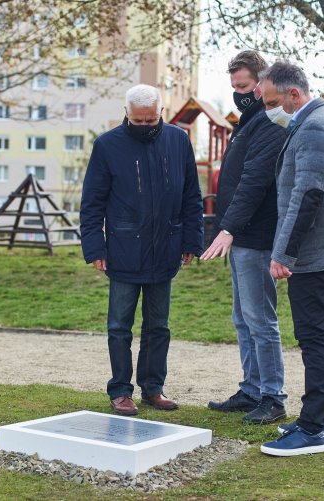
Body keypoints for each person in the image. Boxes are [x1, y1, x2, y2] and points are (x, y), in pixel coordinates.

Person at [79, 84, 204, 416]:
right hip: (123, 250)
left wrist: (192, 240)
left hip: (166, 248)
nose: (145, 126)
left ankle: (153, 388)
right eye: (138, 121)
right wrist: (94, 247)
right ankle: (120, 390)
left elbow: (191, 195)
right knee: (119, 327)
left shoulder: (178, 141)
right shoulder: (107, 146)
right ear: (127, 114)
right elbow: (91, 203)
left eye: (151, 120)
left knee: (158, 326)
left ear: (161, 112)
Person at [257, 61, 324, 456]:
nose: (270, 110)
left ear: (294, 94)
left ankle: (312, 428)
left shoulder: (316, 126)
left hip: (316, 253)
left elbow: (308, 194)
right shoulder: (322, 119)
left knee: (315, 338)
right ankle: (322, 418)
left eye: (273, 102)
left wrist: (284, 253)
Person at [201, 51, 289, 424]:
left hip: (257, 237)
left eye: (244, 86)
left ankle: (273, 395)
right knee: (243, 318)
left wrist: (229, 228)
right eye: (234, 87)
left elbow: (254, 181)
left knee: (259, 319)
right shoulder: (248, 121)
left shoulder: (271, 123)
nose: (239, 94)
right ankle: (252, 389)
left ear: (261, 83)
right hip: (242, 237)